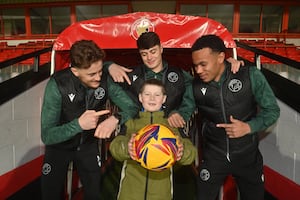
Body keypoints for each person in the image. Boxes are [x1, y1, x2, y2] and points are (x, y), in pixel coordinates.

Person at [40, 40, 139, 200]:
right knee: (50, 194)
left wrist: (116, 118)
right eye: (92, 74)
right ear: (75, 71)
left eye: (100, 70)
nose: (98, 77)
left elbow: (132, 107)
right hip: (58, 148)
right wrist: (78, 124)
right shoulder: (58, 84)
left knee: (95, 194)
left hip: (87, 146)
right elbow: (47, 135)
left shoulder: (104, 80)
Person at [191, 34, 280, 200]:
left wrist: (248, 127)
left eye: (203, 64)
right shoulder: (195, 85)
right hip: (213, 156)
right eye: (195, 65)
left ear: (220, 57)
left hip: (247, 157)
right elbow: (183, 108)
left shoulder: (250, 75)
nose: (198, 71)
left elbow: (272, 110)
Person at [108, 31, 243, 129]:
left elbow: (201, 86)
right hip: (137, 130)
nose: (149, 58)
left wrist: (225, 65)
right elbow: (107, 84)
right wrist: (108, 66)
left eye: (153, 51)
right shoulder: (131, 74)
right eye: (144, 54)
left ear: (161, 49)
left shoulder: (179, 75)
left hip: (170, 129)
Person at [109, 79, 197, 200]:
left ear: (164, 99)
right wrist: (127, 148)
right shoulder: (131, 122)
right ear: (140, 97)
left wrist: (182, 151)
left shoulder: (171, 123)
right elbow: (115, 148)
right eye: (147, 94)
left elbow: (191, 153)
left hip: (161, 194)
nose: (152, 98)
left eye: (157, 95)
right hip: (130, 193)